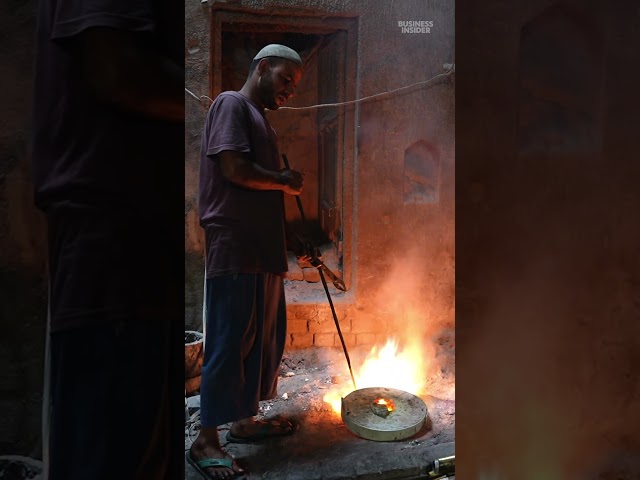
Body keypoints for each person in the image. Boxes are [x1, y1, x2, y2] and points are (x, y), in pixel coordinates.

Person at [31, 1, 184, 479]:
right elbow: (118, 70)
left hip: (140, 242)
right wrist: (212, 99)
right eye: (283, 80)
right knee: (111, 451)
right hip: (115, 240)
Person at [188, 44, 305, 480]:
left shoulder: (261, 120)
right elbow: (235, 170)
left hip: (262, 249)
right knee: (230, 342)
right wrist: (283, 180)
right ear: (262, 67)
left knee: (262, 341)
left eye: (294, 85)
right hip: (236, 245)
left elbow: (263, 194)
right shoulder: (232, 104)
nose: (289, 90)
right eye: (285, 79)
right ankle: (206, 441)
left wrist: (290, 236)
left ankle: (244, 420)